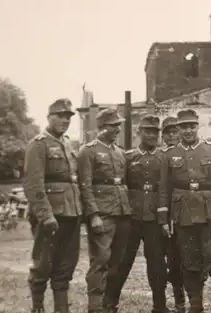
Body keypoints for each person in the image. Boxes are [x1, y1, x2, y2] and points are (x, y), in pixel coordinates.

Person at [157, 109, 211, 313]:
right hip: (183, 214)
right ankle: (195, 306)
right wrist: (164, 219)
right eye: (184, 127)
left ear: (197, 127)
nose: (188, 131)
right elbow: (164, 188)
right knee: (189, 262)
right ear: (178, 129)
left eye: (192, 126)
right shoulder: (169, 154)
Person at [23, 99, 82, 313]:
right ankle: (37, 307)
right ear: (49, 117)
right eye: (60, 115)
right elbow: (33, 184)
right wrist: (45, 215)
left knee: (65, 266)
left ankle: (61, 309)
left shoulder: (68, 144)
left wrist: (80, 210)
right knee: (43, 263)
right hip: (51, 216)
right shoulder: (38, 144)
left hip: (72, 213)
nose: (65, 120)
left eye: (68, 116)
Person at [106, 114, 169, 313]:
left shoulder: (164, 157)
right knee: (122, 261)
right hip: (131, 217)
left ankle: (159, 306)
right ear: (138, 132)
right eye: (147, 131)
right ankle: (110, 303)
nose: (151, 135)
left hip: (154, 218)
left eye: (155, 132)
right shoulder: (128, 157)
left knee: (157, 264)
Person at [77, 107, 131, 313]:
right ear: (101, 127)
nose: (117, 129)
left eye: (118, 125)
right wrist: (93, 215)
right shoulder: (88, 151)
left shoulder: (119, 152)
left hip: (122, 212)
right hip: (103, 214)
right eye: (113, 125)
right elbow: (85, 186)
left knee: (117, 262)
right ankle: (95, 307)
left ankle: (109, 306)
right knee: (100, 260)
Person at [160, 116, 186, 313]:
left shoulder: (185, 155)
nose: (171, 135)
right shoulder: (159, 155)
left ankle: (183, 300)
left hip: (181, 213)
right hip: (160, 214)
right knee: (165, 259)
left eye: (174, 131)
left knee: (182, 257)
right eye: (167, 132)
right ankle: (167, 301)